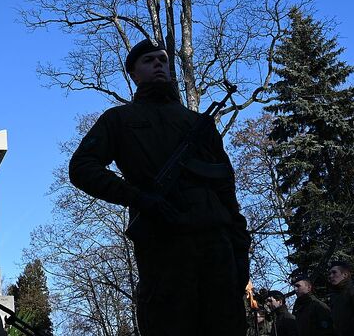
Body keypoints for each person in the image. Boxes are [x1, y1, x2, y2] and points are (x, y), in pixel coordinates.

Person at [69, 38, 250, 335]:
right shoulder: (119, 120)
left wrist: (239, 243)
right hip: (164, 241)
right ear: (134, 74)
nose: (158, 64)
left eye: (163, 60)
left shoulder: (197, 122)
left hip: (217, 244)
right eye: (149, 60)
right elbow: (82, 167)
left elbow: (225, 185)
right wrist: (138, 198)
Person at [290, 272, 334, 336]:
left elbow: (328, 331)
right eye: (294, 287)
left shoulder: (318, 306)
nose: (295, 289)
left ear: (308, 287)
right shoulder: (297, 308)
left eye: (298, 286)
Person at [326, 260, 354, 336]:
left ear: (345, 275)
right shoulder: (334, 296)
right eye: (329, 274)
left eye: (334, 272)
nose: (330, 276)